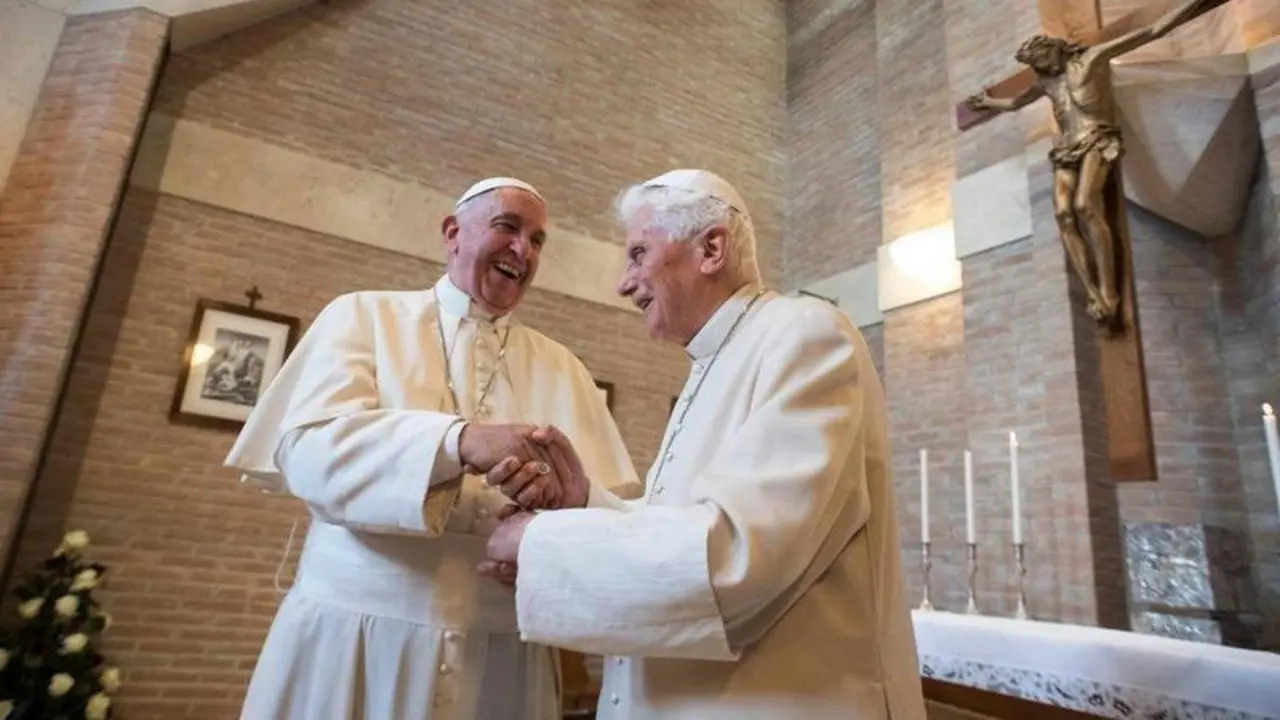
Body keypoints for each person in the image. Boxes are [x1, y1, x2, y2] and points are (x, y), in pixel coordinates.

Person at [477, 169, 927, 719]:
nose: (623, 282)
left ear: (711, 248)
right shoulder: (713, 364)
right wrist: (586, 504)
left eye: (638, 253)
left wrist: (540, 544)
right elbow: (687, 521)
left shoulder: (805, 334)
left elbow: (739, 556)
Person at [223, 176, 639, 720]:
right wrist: (458, 441)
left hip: (503, 659)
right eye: (508, 227)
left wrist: (549, 543)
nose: (524, 249)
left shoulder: (566, 369)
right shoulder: (363, 317)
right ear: (452, 232)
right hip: (355, 639)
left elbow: (608, 508)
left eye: (538, 240)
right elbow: (310, 452)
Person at [964, 0, 1219, 328]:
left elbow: (1153, 30)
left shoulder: (1092, 58)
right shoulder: (1045, 82)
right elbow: (1016, 103)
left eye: (1040, 60)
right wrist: (988, 102)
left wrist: (1193, 6)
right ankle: (1092, 292)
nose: (1039, 68)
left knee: (1086, 204)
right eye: (1034, 64)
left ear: (1054, 50)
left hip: (1097, 138)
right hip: (1067, 148)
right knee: (1062, 213)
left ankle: (1109, 291)